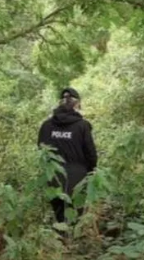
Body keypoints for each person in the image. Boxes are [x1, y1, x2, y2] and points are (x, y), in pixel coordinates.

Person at [37, 87, 98, 224]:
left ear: (60, 103)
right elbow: (91, 153)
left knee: (59, 217)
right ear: (77, 104)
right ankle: (73, 242)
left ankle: (60, 242)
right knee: (75, 216)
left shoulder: (46, 126)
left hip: (53, 176)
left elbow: (41, 149)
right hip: (78, 177)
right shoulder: (83, 126)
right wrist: (91, 170)